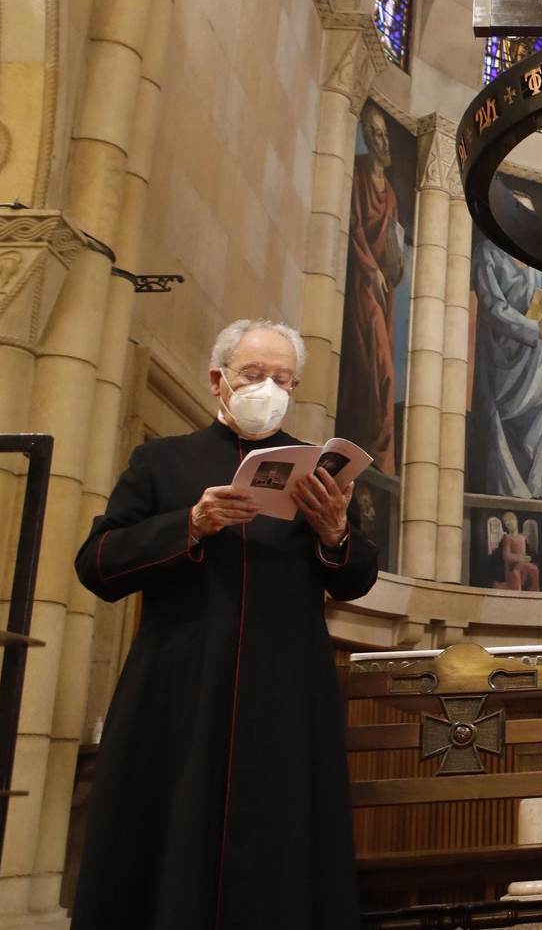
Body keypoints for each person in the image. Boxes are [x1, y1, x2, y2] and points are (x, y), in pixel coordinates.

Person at [70, 319, 378, 929]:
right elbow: (97, 564)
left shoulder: (315, 473)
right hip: (180, 687)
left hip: (285, 692)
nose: (269, 388)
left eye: (283, 379)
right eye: (254, 374)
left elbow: (355, 580)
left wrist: (336, 534)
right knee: (171, 837)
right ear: (219, 381)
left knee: (280, 845)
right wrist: (190, 523)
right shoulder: (161, 462)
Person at [468, 225, 542, 500]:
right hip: (501, 365)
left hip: (536, 363)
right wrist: (535, 330)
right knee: (497, 436)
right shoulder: (486, 253)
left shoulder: (537, 263)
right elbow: (493, 308)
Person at [338, 104, 407, 472]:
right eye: (375, 133)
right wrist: (372, 270)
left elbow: (392, 242)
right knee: (376, 368)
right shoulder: (358, 175)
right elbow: (353, 228)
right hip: (363, 285)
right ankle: (371, 454)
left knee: (384, 373)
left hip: (384, 292)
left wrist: (396, 268)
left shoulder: (392, 192)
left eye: (385, 133)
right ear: (366, 137)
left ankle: (381, 459)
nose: (382, 140)